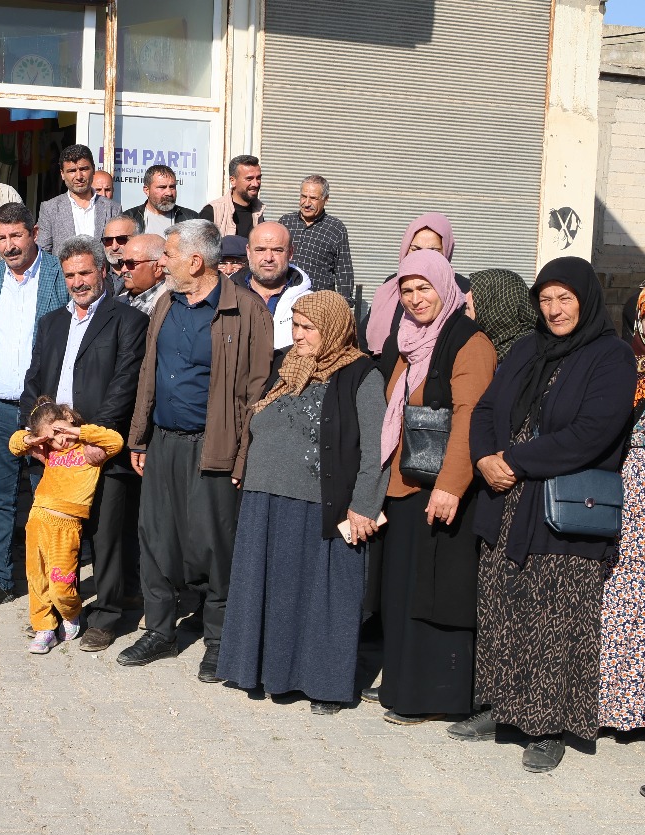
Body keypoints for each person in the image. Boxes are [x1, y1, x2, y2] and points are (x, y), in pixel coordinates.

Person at [465, 257, 635, 772]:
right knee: (501, 603)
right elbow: (488, 409)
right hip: (504, 494)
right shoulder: (526, 347)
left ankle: (548, 726)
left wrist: (512, 461)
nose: (555, 309)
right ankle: (502, 708)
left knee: (555, 612)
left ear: (585, 300)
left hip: (559, 500)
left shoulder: (612, 357)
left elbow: (592, 433)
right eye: (545, 299)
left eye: (565, 299)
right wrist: (483, 459)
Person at [216, 292, 388, 713]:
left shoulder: (361, 374)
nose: (299, 335)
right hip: (265, 498)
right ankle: (269, 673)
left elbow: (376, 450)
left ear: (332, 329)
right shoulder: (285, 364)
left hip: (321, 503)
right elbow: (257, 421)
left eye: (308, 327)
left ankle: (324, 684)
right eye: (295, 325)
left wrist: (364, 504)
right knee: (273, 590)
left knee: (322, 596)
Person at [115, 220, 272, 681]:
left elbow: (257, 394)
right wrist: (139, 436)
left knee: (215, 546)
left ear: (195, 261)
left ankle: (220, 641)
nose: (161, 262)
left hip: (215, 447)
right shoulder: (167, 302)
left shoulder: (245, 311)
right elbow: (149, 373)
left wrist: (243, 456)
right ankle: (161, 631)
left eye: (168, 254)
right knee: (157, 539)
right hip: (164, 442)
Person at [371, 249, 495, 726]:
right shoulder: (405, 340)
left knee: (433, 593)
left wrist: (450, 485)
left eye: (426, 288)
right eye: (408, 289)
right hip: (404, 486)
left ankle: (431, 695)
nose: (417, 298)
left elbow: (470, 417)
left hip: (442, 490)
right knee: (403, 592)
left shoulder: (469, 342)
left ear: (446, 289)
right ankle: (402, 687)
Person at [22, 236, 146, 651]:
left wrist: (95, 437)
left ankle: (107, 615)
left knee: (107, 535)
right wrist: (39, 431)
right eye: (70, 274)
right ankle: (59, 610)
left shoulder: (127, 321)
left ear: (103, 272)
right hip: (56, 450)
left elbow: (124, 384)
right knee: (58, 535)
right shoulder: (52, 322)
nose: (78, 281)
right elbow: (35, 379)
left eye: (85, 273)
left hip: (99, 447)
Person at [0, 202, 66, 614]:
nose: (8, 246)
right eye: (1, 238)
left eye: (16, 236)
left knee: (51, 498)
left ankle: (53, 578)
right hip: (0, 408)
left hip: (49, 411)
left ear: (35, 233)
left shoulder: (61, 276)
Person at [597, 277, 645, 735]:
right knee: (619, 592)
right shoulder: (622, 364)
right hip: (624, 491)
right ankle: (613, 709)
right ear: (639, 318)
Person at [10, 401, 122, 653]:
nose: (60, 442)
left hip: (67, 525)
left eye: (61, 433)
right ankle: (44, 628)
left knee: (61, 583)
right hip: (38, 519)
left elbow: (115, 441)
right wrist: (34, 438)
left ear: (69, 417)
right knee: (36, 577)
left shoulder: (89, 449)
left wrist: (78, 432)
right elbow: (14, 443)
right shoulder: (49, 450)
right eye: (53, 438)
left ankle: (71, 612)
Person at [364, 213, 473, 353]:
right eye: (416, 249)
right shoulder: (391, 286)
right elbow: (364, 336)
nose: (423, 256)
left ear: (447, 250)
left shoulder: (462, 290)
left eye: (434, 250)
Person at [233, 222, 315, 351]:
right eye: (260, 250)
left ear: (290, 252)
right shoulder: (225, 296)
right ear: (248, 252)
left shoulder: (310, 302)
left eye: (277, 250)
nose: (268, 258)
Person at [36, 144, 122, 254]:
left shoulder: (112, 208)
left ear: (93, 169)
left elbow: (119, 252)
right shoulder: (50, 209)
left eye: (84, 169)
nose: (79, 177)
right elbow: (43, 253)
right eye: (72, 171)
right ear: (62, 174)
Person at [279, 176, 355, 298]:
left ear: (326, 199)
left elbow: (344, 270)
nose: (307, 203)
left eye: (313, 198)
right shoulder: (285, 222)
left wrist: (344, 302)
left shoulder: (336, 228)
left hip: (317, 303)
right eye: (304, 196)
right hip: (284, 298)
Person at [469, 268, 537, 359]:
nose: (466, 297)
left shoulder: (526, 355)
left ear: (498, 305)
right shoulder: (486, 346)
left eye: (477, 292)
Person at [199, 154, 265, 238]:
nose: (255, 184)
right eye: (249, 179)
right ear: (233, 181)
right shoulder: (213, 212)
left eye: (258, 178)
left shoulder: (258, 212)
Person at [124, 164, 200, 237]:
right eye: (162, 187)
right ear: (147, 190)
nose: (169, 193)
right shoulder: (129, 218)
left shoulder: (191, 218)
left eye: (172, 187)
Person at [119, 234, 170, 316]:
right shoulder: (119, 301)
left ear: (158, 268)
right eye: (122, 263)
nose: (123, 269)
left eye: (130, 263)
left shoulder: (170, 306)